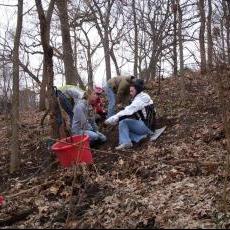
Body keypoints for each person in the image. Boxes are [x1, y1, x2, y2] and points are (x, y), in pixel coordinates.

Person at [105, 79, 156, 150]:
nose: (130, 93)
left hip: (146, 126)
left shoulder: (138, 100)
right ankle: (141, 137)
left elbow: (127, 111)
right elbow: (133, 109)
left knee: (123, 122)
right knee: (125, 132)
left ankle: (126, 143)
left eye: (132, 91)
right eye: (130, 91)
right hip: (151, 126)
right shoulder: (145, 96)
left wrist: (113, 118)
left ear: (137, 90)